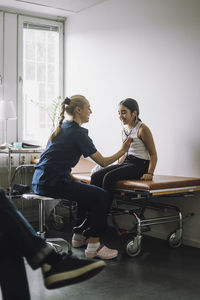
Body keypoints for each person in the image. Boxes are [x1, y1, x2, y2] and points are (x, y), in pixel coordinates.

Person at [32, 95, 132, 260]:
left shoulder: (62, 128)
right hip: (53, 183)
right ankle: (94, 245)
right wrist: (123, 149)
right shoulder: (78, 133)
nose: (90, 112)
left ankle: (78, 238)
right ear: (78, 110)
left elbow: (55, 160)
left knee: (84, 192)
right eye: (88, 107)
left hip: (40, 181)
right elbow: (103, 162)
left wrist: (72, 178)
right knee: (101, 195)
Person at [0, 187, 106, 300]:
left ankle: (48, 258)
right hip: (54, 183)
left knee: (6, 239)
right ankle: (49, 258)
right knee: (100, 195)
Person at [90, 98, 157, 206]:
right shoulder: (124, 131)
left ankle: (103, 212)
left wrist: (150, 173)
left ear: (134, 113)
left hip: (140, 165)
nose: (120, 116)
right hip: (128, 162)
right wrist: (116, 166)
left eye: (124, 112)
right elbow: (125, 153)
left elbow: (153, 154)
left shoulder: (142, 129)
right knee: (96, 176)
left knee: (109, 177)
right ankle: (92, 211)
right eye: (119, 113)